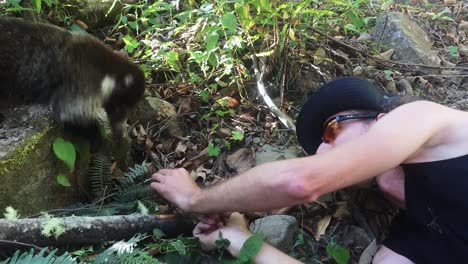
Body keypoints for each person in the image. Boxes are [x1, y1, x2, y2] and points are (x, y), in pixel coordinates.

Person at [151, 76, 468, 263]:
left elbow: (301, 182)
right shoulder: (412, 235)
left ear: (381, 119)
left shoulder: (430, 120)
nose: (322, 150)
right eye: (318, 148)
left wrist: (195, 199)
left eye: (331, 131)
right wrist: (239, 240)